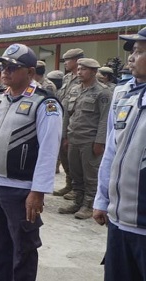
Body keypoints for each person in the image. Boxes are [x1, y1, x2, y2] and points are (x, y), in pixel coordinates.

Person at [0, 43, 62, 281]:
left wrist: (38, 191)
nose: (5, 72)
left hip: (21, 190)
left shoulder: (44, 103)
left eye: (13, 67)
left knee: (23, 249)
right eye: (3, 67)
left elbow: (49, 151)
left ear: (30, 72)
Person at [93, 26, 146, 281]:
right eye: (132, 51)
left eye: (139, 51)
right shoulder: (122, 93)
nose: (131, 57)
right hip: (118, 221)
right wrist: (102, 200)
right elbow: (111, 152)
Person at [58, 58, 111, 219]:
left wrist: (100, 141)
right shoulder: (74, 89)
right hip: (74, 137)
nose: (79, 72)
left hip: (90, 140)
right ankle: (78, 201)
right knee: (75, 173)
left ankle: (89, 205)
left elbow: (105, 119)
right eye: (79, 69)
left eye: (84, 69)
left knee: (90, 174)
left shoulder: (103, 92)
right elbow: (67, 114)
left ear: (94, 72)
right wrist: (65, 135)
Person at [54, 48, 84, 198]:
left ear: (77, 61)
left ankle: (78, 188)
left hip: (76, 123)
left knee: (75, 159)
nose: (65, 63)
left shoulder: (85, 77)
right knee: (64, 155)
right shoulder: (66, 78)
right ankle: (69, 183)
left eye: (67, 60)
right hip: (62, 120)